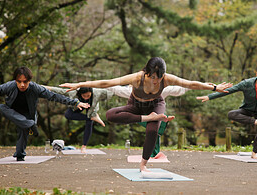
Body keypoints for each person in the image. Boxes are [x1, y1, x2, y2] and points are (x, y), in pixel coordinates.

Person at [60, 57, 233, 171]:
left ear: (162, 75)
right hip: (135, 106)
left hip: (156, 105)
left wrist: (214, 87)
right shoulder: (137, 78)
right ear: (146, 73)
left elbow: (191, 84)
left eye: (158, 77)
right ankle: (148, 118)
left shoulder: (167, 79)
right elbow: (107, 82)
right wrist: (79, 84)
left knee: (152, 131)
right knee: (111, 115)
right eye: (151, 77)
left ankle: (143, 165)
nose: (155, 81)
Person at [0, 66, 90, 161]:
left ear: (29, 81)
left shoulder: (36, 88)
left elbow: (54, 96)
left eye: (25, 82)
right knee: (1, 107)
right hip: (13, 112)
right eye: (19, 82)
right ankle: (30, 125)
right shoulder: (9, 86)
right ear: (15, 81)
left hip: (28, 116)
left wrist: (75, 103)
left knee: (24, 132)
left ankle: (19, 154)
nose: (22, 85)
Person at [107, 85, 190, 158]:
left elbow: (177, 89)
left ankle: (153, 153)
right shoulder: (132, 91)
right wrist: (100, 84)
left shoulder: (160, 90)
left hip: (155, 113)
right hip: (140, 115)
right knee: (141, 120)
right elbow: (116, 89)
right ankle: (159, 123)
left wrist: (192, 86)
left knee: (154, 130)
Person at [43, 85, 113, 153]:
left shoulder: (98, 92)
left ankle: (84, 146)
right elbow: (60, 91)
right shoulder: (73, 92)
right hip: (77, 106)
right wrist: (43, 87)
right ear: (80, 94)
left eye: (88, 96)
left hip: (91, 107)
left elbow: (110, 89)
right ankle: (91, 117)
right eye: (84, 96)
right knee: (68, 115)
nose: (86, 98)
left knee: (89, 122)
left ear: (91, 93)